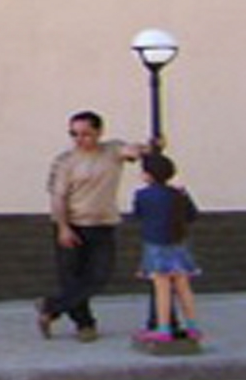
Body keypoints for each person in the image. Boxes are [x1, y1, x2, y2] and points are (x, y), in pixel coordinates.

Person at [35, 111, 146, 343]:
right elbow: (58, 198)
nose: (79, 139)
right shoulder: (65, 162)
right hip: (73, 224)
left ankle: (51, 307)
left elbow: (133, 151)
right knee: (72, 278)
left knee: (99, 276)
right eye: (74, 134)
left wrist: (150, 147)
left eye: (85, 134)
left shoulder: (112, 151)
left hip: (103, 224)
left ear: (99, 132)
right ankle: (85, 325)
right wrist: (63, 228)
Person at [131, 151, 202, 342]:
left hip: (155, 244)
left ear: (148, 175)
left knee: (162, 288)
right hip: (179, 242)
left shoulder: (142, 195)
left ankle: (163, 329)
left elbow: (138, 215)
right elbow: (192, 215)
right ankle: (193, 326)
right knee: (183, 286)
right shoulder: (179, 194)